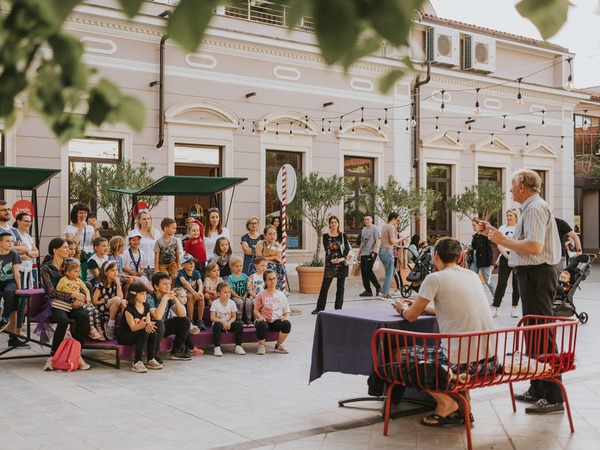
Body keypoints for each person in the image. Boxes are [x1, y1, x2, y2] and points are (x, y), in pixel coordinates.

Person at [481, 169, 563, 415]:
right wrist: (495, 233)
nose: (509, 190)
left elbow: (535, 247)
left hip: (537, 274)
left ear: (523, 187)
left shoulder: (535, 208)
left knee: (541, 333)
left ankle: (554, 395)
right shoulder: (530, 208)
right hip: (531, 275)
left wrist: (501, 240)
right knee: (533, 333)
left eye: (512, 185)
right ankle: (538, 387)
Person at [391, 238, 495, 426]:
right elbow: (454, 308)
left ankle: (445, 403)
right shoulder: (471, 276)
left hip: (461, 363)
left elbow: (410, 317)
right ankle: (466, 408)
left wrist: (401, 307)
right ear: (461, 257)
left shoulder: (435, 278)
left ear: (435, 256)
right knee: (458, 349)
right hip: (488, 359)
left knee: (397, 353)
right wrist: (424, 308)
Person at [39, 238, 90, 370]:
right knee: (63, 320)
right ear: (55, 250)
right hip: (55, 304)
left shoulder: (70, 263)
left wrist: (79, 298)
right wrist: (72, 295)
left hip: (73, 303)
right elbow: (51, 292)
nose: (69, 250)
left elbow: (80, 283)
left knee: (84, 316)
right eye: (65, 247)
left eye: (69, 247)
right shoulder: (46, 268)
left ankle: (77, 354)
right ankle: (53, 356)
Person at [147, 271, 193, 362]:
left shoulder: (168, 296)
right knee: (159, 323)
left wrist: (175, 298)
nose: (168, 286)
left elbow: (182, 314)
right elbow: (157, 317)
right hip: (149, 329)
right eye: (164, 284)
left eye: (169, 283)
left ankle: (176, 351)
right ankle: (154, 355)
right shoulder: (149, 297)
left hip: (161, 328)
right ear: (156, 286)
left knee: (185, 321)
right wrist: (164, 299)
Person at [117, 282, 162, 372]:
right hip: (125, 335)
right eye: (142, 294)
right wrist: (146, 324)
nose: (145, 296)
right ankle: (137, 362)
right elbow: (133, 327)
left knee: (153, 332)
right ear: (134, 295)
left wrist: (149, 325)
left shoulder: (146, 306)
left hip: (139, 332)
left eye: (145, 293)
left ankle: (150, 359)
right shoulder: (129, 309)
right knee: (143, 332)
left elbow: (148, 322)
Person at [56, 259, 104, 341]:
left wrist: (88, 299)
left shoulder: (78, 280)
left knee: (95, 310)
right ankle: (91, 329)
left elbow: (86, 290)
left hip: (81, 300)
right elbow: (58, 291)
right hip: (69, 301)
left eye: (79, 271)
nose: (78, 273)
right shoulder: (63, 280)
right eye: (75, 271)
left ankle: (98, 327)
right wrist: (70, 296)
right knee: (88, 310)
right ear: (67, 272)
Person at [313, 215, 349, 314]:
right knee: (325, 286)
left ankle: (338, 308)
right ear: (329, 224)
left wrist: (342, 258)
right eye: (332, 222)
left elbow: (347, 248)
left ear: (338, 224)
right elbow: (327, 249)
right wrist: (333, 260)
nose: (334, 224)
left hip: (342, 263)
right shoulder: (326, 236)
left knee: (340, 287)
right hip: (330, 263)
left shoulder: (343, 235)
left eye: (335, 222)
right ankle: (319, 308)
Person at [491, 209, 520, 318]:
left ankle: (514, 308)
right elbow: (499, 243)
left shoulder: (519, 227)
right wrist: (506, 256)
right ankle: (495, 307)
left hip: (517, 256)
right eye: (507, 215)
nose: (508, 217)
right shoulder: (502, 228)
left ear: (516, 216)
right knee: (501, 283)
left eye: (511, 215)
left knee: (516, 284)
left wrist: (514, 255)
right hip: (505, 256)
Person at [254, 269, 291, 355]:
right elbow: (256, 310)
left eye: (274, 278)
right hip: (265, 320)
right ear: (265, 282)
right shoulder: (261, 294)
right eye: (269, 279)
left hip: (276, 321)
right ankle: (262, 345)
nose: (272, 281)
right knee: (261, 324)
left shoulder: (281, 295)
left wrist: (285, 318)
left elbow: (286, 310)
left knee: (286, 324)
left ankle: (279, 345)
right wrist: (260, 317)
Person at [0, 232, 27, 348]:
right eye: (8, 241)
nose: (11, 243)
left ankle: (5, 318)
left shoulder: (14, 254)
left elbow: (16, 272)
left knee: (8, 292)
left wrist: (19, 287)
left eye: (12, 241)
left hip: (11, 282)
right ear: (0, 243)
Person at [210, 282, 246, 357]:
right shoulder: (215, 303)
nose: (228, 294)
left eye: (229, 292)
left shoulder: (232, 303)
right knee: (216, 325)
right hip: (219, 323)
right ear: (218, 293)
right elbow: (212, 318)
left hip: (229, 324)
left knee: (239, 324)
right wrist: (223, 322)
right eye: (225, 292)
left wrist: (229, 323)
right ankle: (217, 347)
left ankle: (238, 346)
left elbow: (233, 317)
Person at [92, 260, 125, 340]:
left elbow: (121, 298)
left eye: (116, 270)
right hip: (101, 306)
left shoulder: (116, 283)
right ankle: (111, 324)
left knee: (124, 302)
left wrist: (117, 283)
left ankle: (121, 326)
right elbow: (94, 301)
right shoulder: (100, 284)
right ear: (106, 272)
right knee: (117, 299)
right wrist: (108, 301)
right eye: (112, 270)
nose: (115, 272)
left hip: (114, 305)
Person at [176, 253, 206, 331]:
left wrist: (199, 292)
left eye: (193, 262)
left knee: (201, 296)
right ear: (183, 265)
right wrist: (195, 293)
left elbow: (200, 283)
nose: (192, 264)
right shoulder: (181, 272)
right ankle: (190, 320)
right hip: (182, 294)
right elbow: (185, 283)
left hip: (194, 293)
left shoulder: (196, 272)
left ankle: (200, 320)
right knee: (190, 296)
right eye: (189, 262)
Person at [255, 225, 287, 292]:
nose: (272, 236)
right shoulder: (260, 243)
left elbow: (278, 259)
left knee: (282, 267)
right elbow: (260, 258)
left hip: (273, 263)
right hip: (260, 264)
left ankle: (278, 287)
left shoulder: (277, 245)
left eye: (274, 234)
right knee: (271, 266)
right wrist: (274, 257)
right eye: (269, 234)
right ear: (265, 235)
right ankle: (269, 287)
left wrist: (272, 258)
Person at [469, 219, 496, 298]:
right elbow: (474, 246)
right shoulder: (474, 236)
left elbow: (489, 250)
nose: (473, 227)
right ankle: (472, 296)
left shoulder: (485, 237)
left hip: (484, 260)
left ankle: (497, 297)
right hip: (474, 260)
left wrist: (491, 263)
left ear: (479, 226)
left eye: (474, 225)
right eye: (472, 225)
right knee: (471, 278)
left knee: (488, 281)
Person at [12, 213, 39, 290]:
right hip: (18, 270)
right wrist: (30, 255)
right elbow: (18, 256)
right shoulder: (14, 234)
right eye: (26, 221)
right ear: (18, 221)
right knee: (19, 296)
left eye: (30, 222)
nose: (28, 224)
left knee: (26, 297)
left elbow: (37, 253)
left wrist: (27, 252)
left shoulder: (27, 236)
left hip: (28, 270)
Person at [379, 212, 402, 299]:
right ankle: (385, 294)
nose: (397, 222)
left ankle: (383, 290)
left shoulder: (385, 226)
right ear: (393, 219)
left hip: (382, 251)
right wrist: (402, 239)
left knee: (392, 272)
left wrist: (398, 246)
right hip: (387, 252)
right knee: (389, 273)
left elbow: (387, 241)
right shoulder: (391, 227)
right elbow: (392, 241)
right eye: (397, 220)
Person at [358, 214, 381, 297]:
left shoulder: (375, 228)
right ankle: (368, 291)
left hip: (371, 253)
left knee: (368, 270)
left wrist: (374, 252)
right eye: (365, 220)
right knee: (364, 272)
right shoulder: (363, 230)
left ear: (371, 220)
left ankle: (378, 288)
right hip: (364, 253)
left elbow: (378, 240)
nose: (366, 221)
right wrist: (359, 253)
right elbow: (362, 242)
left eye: (368, 219)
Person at [134, 210, 162, 275]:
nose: (147, 221)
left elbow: (161, 249)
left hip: (154, 265)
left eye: (148, 218)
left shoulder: (156, 233)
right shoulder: (135, 233)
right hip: (140, 266)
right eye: (144, 219)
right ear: (139, 221)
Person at [154, 217, 180, 281]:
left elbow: (177, 253)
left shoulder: (175, 240)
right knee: (164, 278)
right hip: (162, 264)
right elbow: (156, 256)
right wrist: (156, 269)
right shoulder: (159, 241)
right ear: (166, 228)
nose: (175, 230)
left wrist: (178, 264)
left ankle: (173, 289)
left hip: (172, 262)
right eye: (173, 228)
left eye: (175, 228)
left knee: (175, 277)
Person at [227, 255, 249, 324]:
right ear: (232, 267)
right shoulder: (230, 277)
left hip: (244, 296)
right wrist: (239, 297)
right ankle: (239, 319)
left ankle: (249, 318)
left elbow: (248, 289)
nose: (239, 268)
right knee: (240, 302)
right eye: (237, 266)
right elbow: (231, 290)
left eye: (240, 266)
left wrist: (245, 296)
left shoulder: (245, 276)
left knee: (249, 302)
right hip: (235, 297)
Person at [246, 256, 267, 321]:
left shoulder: (267, 276)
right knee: (257, 304)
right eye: (262, 265)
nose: (264, 267)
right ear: (256, 266)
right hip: (255, 297)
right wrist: (256, 296)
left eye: (265, 266)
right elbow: (249, 289)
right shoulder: (252, 277)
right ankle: (257, 320)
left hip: (265, 296)